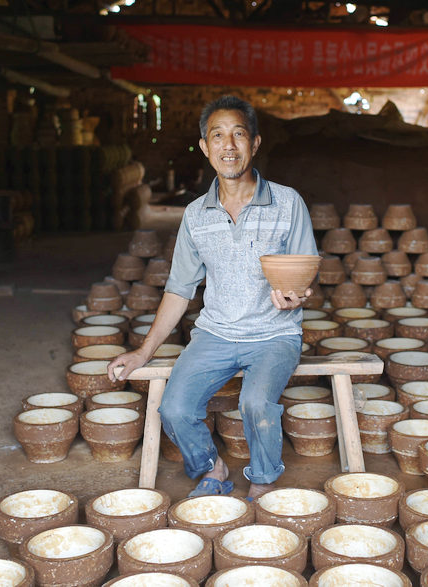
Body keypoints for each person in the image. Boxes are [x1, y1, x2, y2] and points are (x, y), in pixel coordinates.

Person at [107, 95, 318, 500]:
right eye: (218, 136)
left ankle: (263, 479)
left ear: (255, 143)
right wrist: (143, 352)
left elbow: (307, 275)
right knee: (174, 409)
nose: (229, 145)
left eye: (239, 134)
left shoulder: (288, 203)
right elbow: (178, 290)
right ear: (205, 147)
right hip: (215, 334)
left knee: (256, 403)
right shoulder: (195, 215)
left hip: (274, 335)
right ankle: (212, 467)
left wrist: (299, 296)